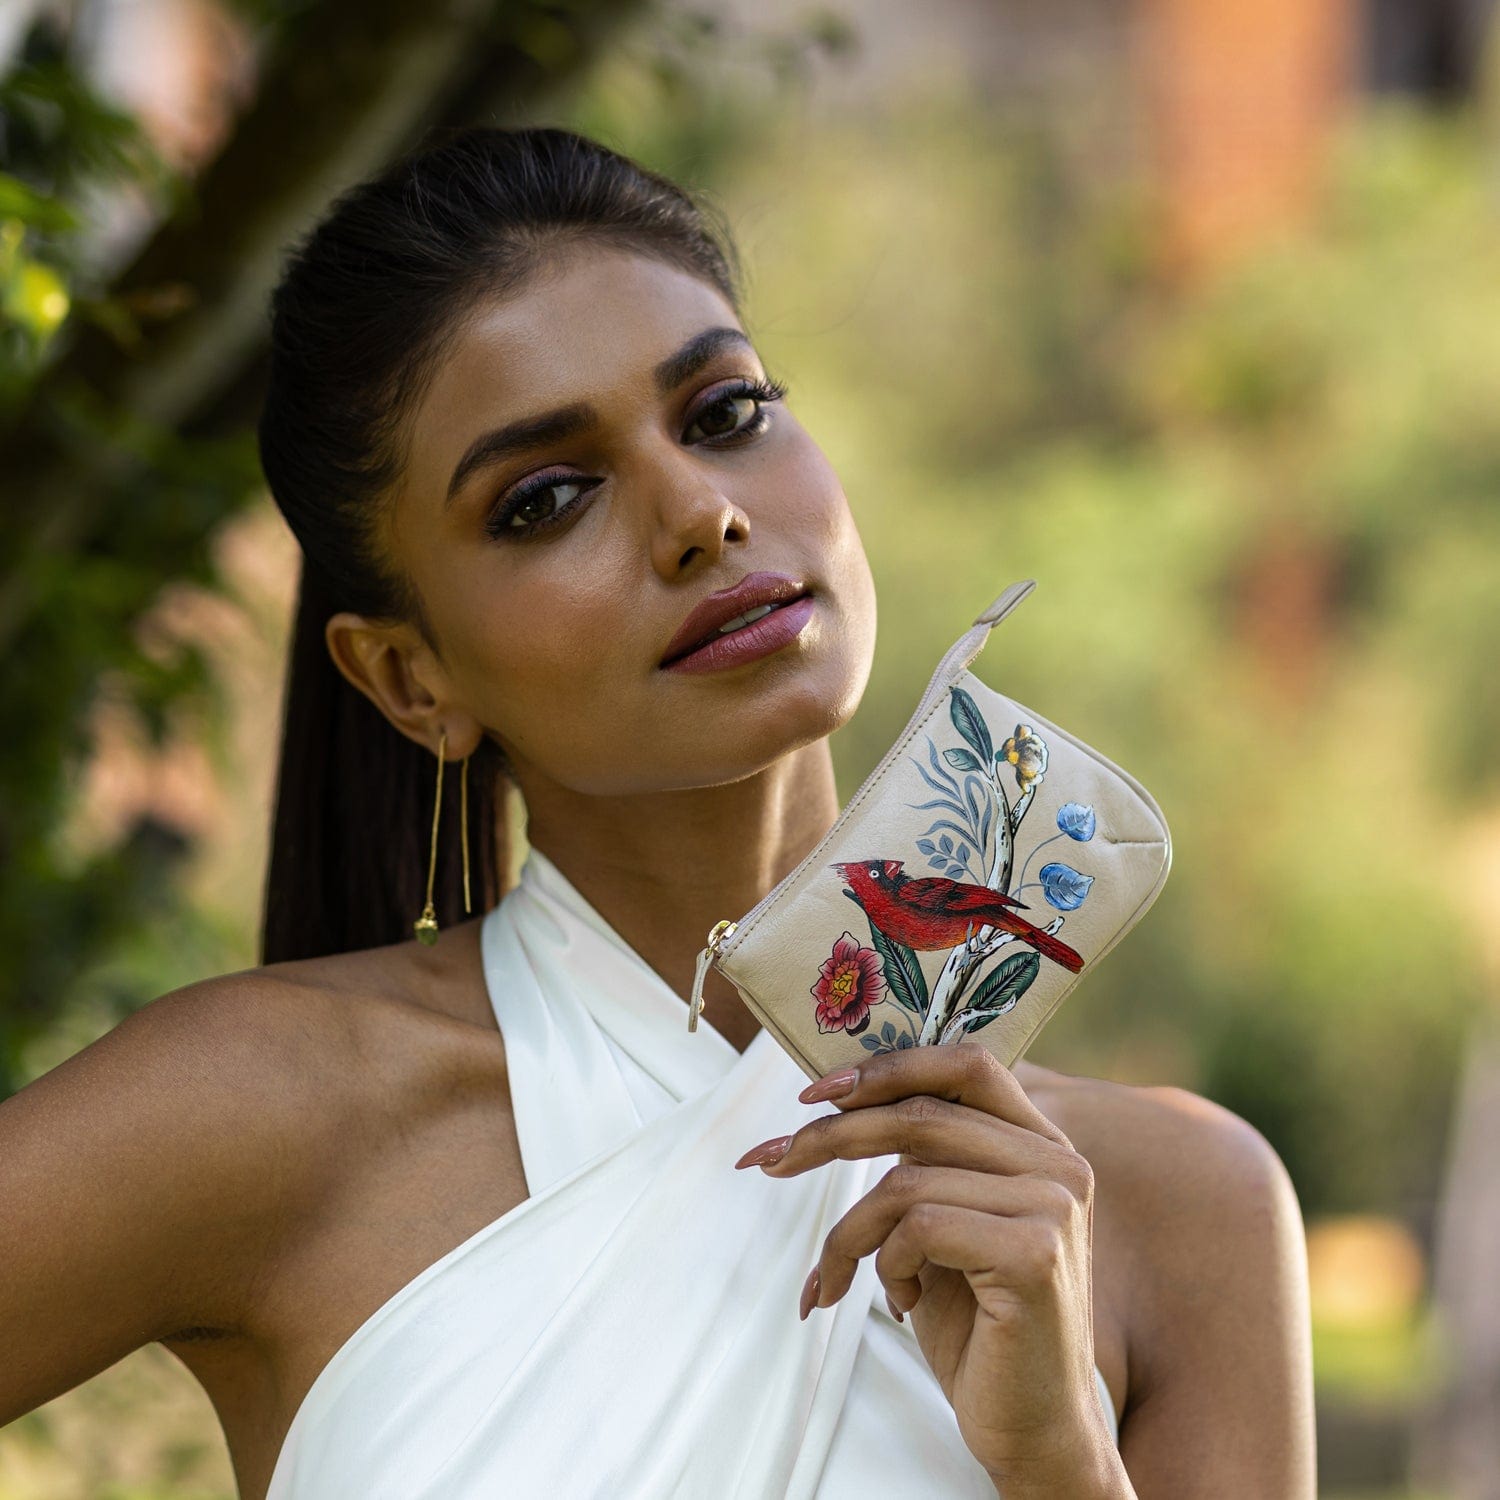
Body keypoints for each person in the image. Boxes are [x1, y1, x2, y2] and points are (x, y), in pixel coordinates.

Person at [0, 126, 1316, 1498]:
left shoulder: (1172, 1211)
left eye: (726, 413)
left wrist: (1060, 1462)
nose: (699, 513)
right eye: (547, 498)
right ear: (408, 676)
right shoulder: (266, 1112)